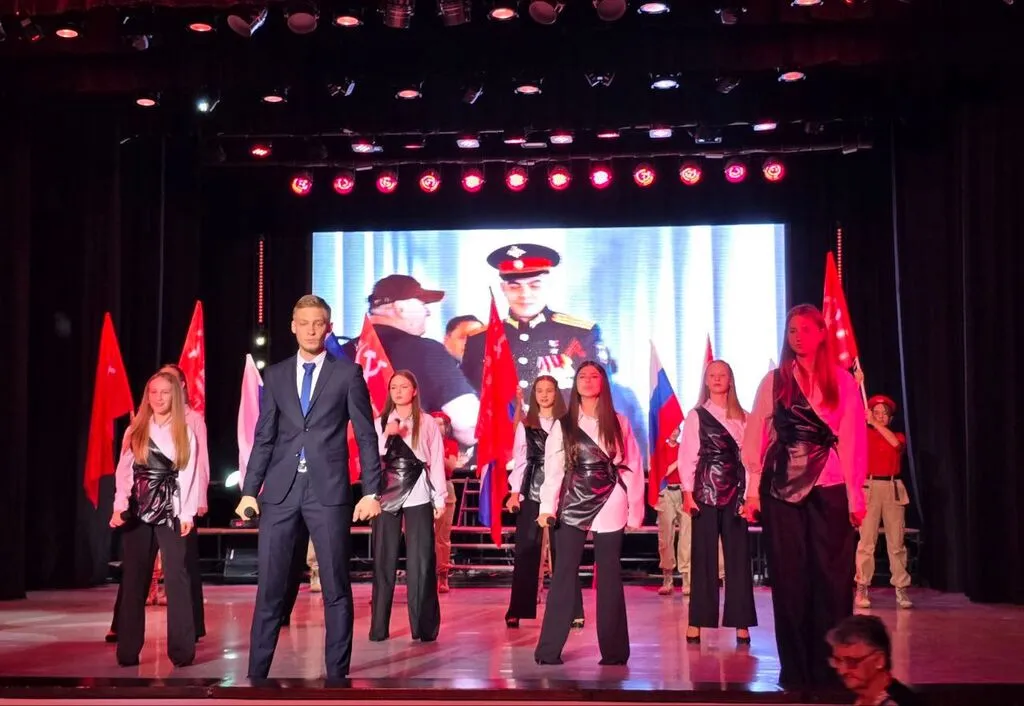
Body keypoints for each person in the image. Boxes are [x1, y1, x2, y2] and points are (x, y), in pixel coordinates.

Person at [237, 294, 383, 681]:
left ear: (328, 327)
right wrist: (250, 490)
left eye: (318, 323)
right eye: (304, 323)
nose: (311, 330)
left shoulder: (347, 374)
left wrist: (372, 491)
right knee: (270, 587)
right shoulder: (276, 375)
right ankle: (255, 678)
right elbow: (264, 437)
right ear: (293, 326)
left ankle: (336, 678)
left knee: (335, 586)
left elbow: (366, 436)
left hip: (328, 492)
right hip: (280, 493)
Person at [742, 304, 867, 688]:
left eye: (805, 330)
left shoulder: (842, 381)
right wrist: (752, 490)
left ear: (822, 334)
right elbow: (756, 433)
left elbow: (853, 440)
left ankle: (831, 669)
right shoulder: (775, 380)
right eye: (792, 331)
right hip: (782, 489)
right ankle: (795, 671)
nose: (798, 337)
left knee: (832, 581)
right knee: (790, 580)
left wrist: (856, 496)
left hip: (830, 487)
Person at [534, 362, 644, 666]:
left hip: (611, 497)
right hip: (574, 498)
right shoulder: (564, 424)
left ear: (603, 383)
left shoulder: (619, 422)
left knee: (608, 573)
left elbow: (633, 466)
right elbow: (553, 471)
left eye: (594, 376)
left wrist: (635, 509)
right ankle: (548, 651)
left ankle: (615, 653)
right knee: (564, 572)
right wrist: (547, 508)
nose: (587, 380)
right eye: (582, 376)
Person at [106, 363, 209, 642]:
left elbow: (192, 469)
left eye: (165, 391)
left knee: (178, 574)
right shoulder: (136, 429)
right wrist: (119, 505)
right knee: (134, 575)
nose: (159, 397)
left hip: (173, 507)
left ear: (177, 391)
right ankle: (126, 642)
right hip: (139, 508)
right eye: (154, 391)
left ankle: (184, 642)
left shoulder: (188, 425)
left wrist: (189, 510)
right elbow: (124, 471)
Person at [341, 275, 479, 445]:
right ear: (401, 308)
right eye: (423, 304)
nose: (428, 312)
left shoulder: (341, 353)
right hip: (405, 459)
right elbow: (469, 426)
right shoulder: (427, 351)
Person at [679, 360, 757, 645]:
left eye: (722, 374)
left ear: (730, 380)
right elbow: (688, 456)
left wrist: (750, 495)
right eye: (712, 375)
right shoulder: (696, 415)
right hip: (705, 493)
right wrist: (688, 493)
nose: (717, 379)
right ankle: (697, 621)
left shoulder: (745, 417)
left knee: (738, 559)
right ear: (706, 380)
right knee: (703, 559)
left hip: (736, 493)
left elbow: (751, 461)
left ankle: (741, 623)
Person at [461, 244, 603, 396]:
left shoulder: (580, 333)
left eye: (534, 286)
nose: (524, 294)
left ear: (549, 285)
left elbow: (600, 396)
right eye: (514, 287)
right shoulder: (480, 339)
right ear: (503, 288)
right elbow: (466, 396)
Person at [370, 371, 447, 642]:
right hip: (386, 493)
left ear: (414, 390)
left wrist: (440, 498)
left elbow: (436, 460)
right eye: (394, 387)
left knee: (421, 561)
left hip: (419, 491)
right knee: (384, 560)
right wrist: (387, 434)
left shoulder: (427, 421)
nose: (398, 391)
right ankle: (379, 628)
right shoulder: (380, 421)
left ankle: (423, 628)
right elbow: (371, 458)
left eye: (404, 386)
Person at [504, 375, 583, 628]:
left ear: (556, 393)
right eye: (540, 390)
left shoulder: (569, 423)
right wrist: (515, 492)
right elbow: (520, 461)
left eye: (549, 390)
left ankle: (572, 609)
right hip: (532, 488)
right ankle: (518, 608)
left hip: (562, 491)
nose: (545, 395)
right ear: (534, 394)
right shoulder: (526, 425)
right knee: (526, 550)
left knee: (564, 552)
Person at [856, 394, 913, 610]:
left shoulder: (897, 435)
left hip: (892, 487)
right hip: (869, 487)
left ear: (890, 418)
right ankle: (862, 586)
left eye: (884, 414)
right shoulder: (864, 434)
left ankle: (901, 588)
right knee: (866, 543)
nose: (880, 416)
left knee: (896, 543)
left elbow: (896, 444)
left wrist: (874, 423)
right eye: (876, 413)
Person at [828, 615, 923, 705]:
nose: (842, 671)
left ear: (879, 660)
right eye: (838, 661)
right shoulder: (864, 699)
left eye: (852, 662)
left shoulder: (896, 702)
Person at [431, 411, 459, 594]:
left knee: (442, 537)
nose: (437, 426)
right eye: (434, 423)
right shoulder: (422, 441)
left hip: (445, 489)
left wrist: (436, 451)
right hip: (424, 489)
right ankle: (425, 576)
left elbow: (451, 466)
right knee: (423, 537)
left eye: (440, 424)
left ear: (446, 427)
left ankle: (443, 575)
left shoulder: (450, 444)